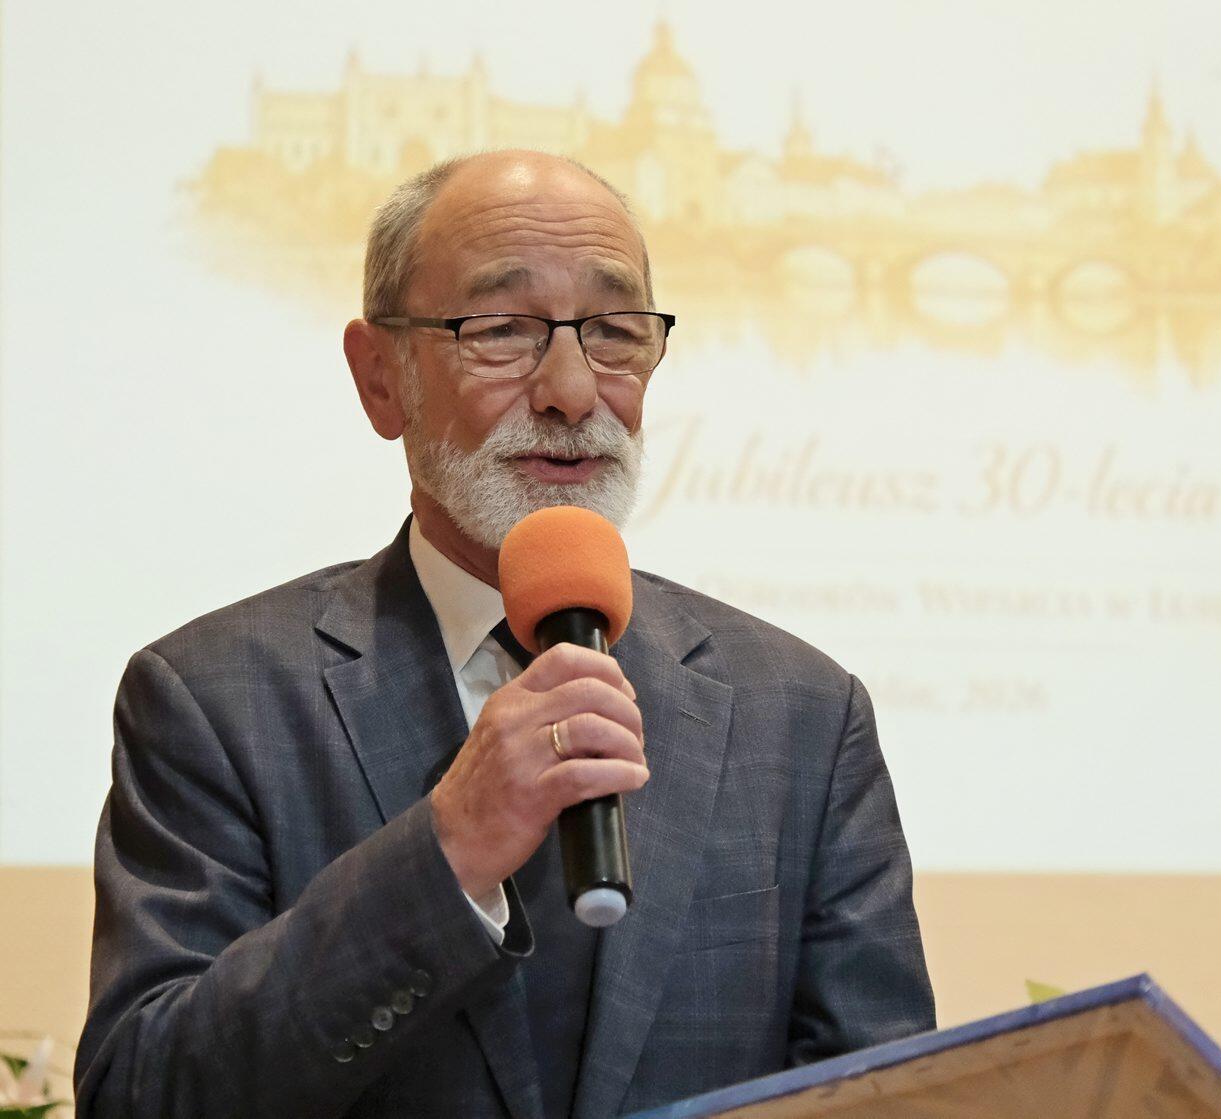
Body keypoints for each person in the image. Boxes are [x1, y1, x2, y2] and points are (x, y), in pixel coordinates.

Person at [73, 150, 935, 1118]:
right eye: (502, 331)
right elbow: (140, 1096)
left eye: (614, 332)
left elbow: (887, 1097)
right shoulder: (213, 699)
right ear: (380, 377)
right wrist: (445, 851)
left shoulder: (804, 717)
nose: (572, 389)